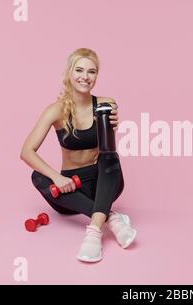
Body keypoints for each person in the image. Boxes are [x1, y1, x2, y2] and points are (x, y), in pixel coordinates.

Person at [20, 48, 137, 263]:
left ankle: (93, 233)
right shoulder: (55, 110)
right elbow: (26, 151)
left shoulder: (105, 104)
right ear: (69, 73)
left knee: (109, 155)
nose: (85, 76)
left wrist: (111, 128)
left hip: (104, 182)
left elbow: (108, 148)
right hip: (70, 190)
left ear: (96, 76)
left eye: (91, 72)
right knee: (37, 176)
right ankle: (110, 217)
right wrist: (57, 178)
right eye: (80, 70)